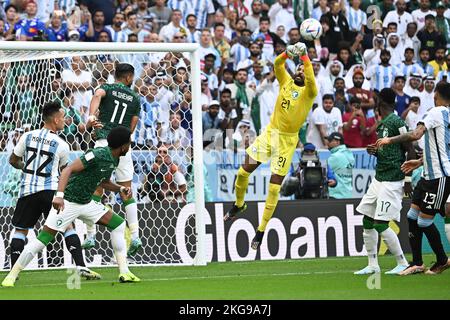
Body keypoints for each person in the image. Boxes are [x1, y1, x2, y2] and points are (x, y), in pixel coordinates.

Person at [2, 126, 140, 287]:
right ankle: (11, 276)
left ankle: (124, 272)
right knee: (43, 240)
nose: (130, 146)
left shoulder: (114, 159)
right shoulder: (96, 154)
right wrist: (59, 196)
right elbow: (68, 170)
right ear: (123, 146)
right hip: (68, 202)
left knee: (118, 224)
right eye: (129, 143)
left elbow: (103, 180)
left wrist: (120, 188)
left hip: (87, 203)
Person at [223, 41, 317, 250]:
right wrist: (286, 53)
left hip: (287, 141)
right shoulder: (286, 82)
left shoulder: (309, 93)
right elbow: (277, 65)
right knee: (242, 172)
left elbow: (309, 71)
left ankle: (261, 230)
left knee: (274, 187)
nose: (300, 71)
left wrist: (304, 56)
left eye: (303, 70)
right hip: (270, 133)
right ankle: (239, 205)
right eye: (299, 69)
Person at [6, 101, 99, 280]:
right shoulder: (62, 144)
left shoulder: (27, 136)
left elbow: (12, 160)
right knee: (67, 227)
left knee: (21, 231)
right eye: (63, 117)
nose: (65, 120)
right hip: (50, 192)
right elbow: (66, 173)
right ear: (56, 120)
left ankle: (13, 272)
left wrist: (26, 167)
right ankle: (80, 266)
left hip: (27, 191)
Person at [376, 82, 450, 275]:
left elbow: (416, 134)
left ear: (436, 96)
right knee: (411, 217)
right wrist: (419, 161)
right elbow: (440, 148)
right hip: (428, 175)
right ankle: (417, 263)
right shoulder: (446, 115)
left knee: (424, 222)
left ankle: (442, 260)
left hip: (439, 178)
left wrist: (389, 139)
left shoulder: (435, 112)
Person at [84, 63, 142, 256]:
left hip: (103, 142)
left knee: (96, 188)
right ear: (128, 78)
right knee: (127, 190)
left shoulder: (106, 88)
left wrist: (92, 116)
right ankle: (135, 236)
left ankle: (90, 235)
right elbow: (132, 127)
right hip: (123, 147)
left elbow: (96, 95)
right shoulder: (134, 98)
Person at [354, 88, 410, 275]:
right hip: (379, 178)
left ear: (382, 102)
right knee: (367, 220)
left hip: (392, 179)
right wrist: (375, 151)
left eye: (376, 99)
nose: (374, 102)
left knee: (380, 223)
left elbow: (409, 146)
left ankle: (402, 262)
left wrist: (408, 178)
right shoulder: (382, 123)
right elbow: (388, 149)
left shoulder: (397, 121)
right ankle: (372, 265)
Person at [327, 132, 354, 199]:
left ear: (337, 142)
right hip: (348, 194)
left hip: (336, 196)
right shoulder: (350, 154)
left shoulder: (335, 157)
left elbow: (324, 172)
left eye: (330, 141)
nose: (328, 143)